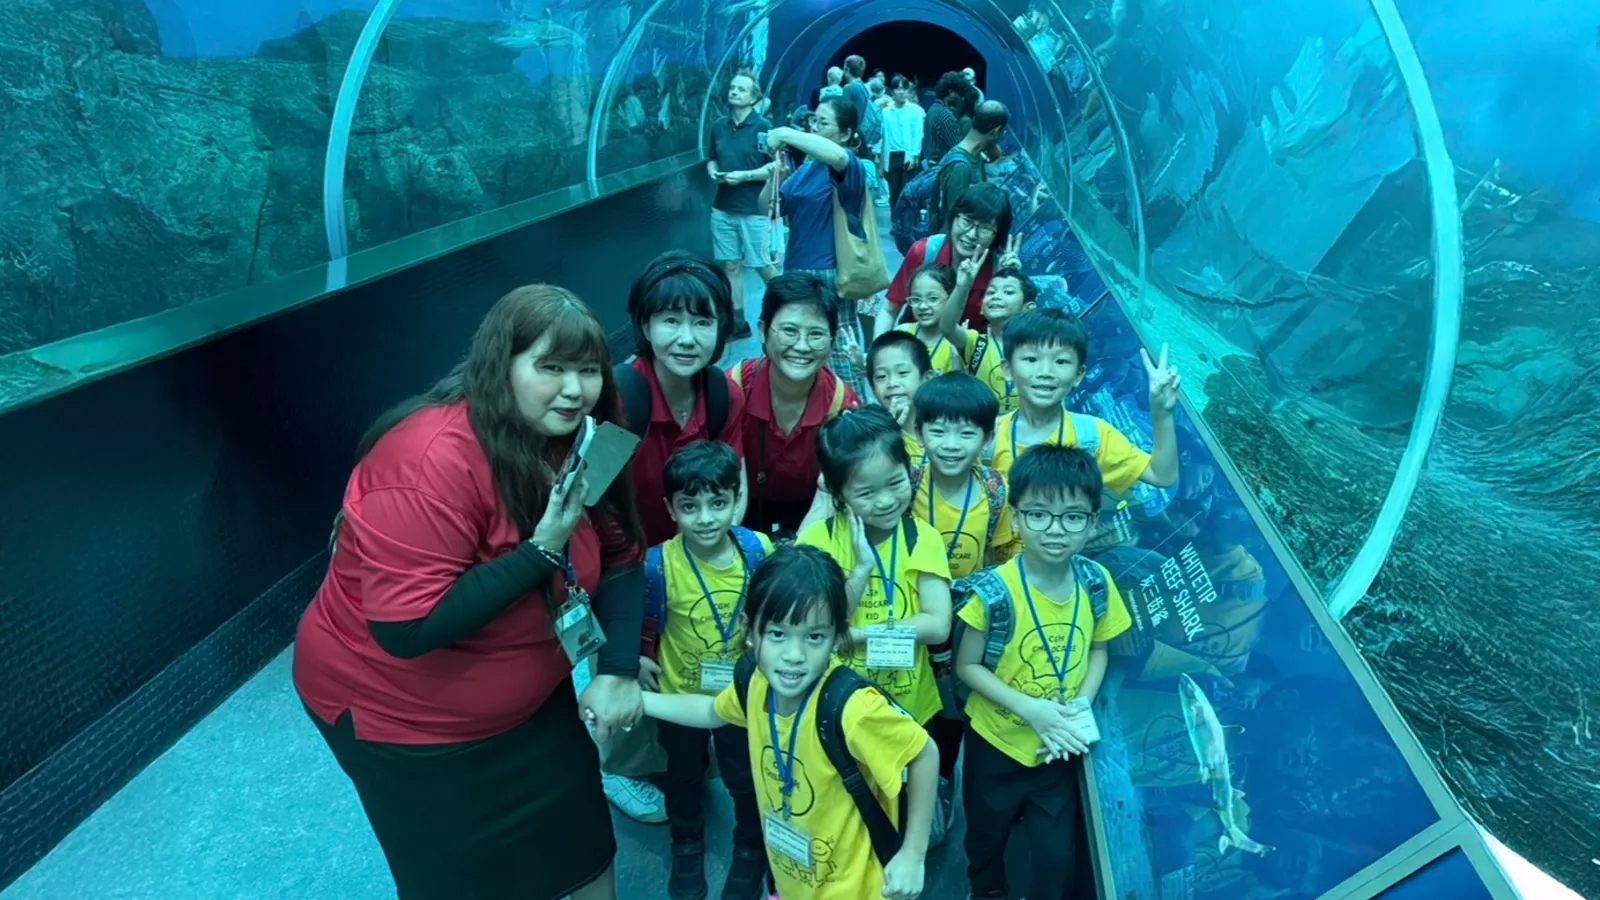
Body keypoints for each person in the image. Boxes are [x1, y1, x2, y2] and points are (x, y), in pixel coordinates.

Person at [293, 285, 646, 900]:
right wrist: (539, 551)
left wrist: (616, 667)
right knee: (460, 880)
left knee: (583, 843)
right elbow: (408, 627)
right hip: (409, 725)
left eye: (587, 370)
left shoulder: (589, 432)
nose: (574, 389)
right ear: (498, 364)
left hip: (533, 705)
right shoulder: (425, 460)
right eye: (551, 367)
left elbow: (621, 556)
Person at [636, 544, 939, 900]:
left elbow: (923, 753)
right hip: (789, 877)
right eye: (778, 634)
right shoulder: (755, 683)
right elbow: (710, 713)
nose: (794, 657)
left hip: (855, 889)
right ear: (750, 631)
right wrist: (638, 701)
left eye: (814, 637)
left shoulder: (852, 709)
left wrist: (913, 854)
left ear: (838, 636)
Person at [955, 445, 1133, 900]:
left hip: (1056, 750)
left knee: (1056, 856)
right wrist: (1032, 710)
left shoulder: (1095, 583)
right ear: (1015, 518)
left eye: (1073, 517)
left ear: (1093, 523)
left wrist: (1082, 703)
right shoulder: (995, 593)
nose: (1055, 529)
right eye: (1039, 514)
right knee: (986, 838)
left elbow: (1099, 649)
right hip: (996, 743)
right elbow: (967, 666)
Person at [644, 442, 771, 900]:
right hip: (679, 698)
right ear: (670, 509)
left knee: (744, 772)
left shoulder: (758, 551)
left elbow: (772, 613)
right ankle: (687, 839)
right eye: (690, 507)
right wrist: (641, 656)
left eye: (719, 503)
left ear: (737, 499)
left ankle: (750, 843)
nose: (706, 518)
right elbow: (647, 619)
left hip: (740, 696)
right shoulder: (659, 565)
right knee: (683, 774)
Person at [797, 406, 953, 780]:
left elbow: (938, 624)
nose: (885, 501)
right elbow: (822, 624)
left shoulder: (922, 538)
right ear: (838, 494)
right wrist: (863, 569)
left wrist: (863, 636)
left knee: (909, 776)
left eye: (896, 483)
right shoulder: (820, 541)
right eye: (866, 492)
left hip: (911, 701)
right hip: (840, 701)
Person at [909, 371, 1015, 837]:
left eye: (967, 431)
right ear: (918, 430)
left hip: (964, 620)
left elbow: (1008, 550)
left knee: (951, 710)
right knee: (907, 697)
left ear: (988, 437)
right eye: (938, 429)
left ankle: (940, 779)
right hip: (911, 616)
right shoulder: (906, 484)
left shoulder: (995, 492)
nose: (951, 443)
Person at [619, 251, 746, 547]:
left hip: (699, 559)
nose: (687, 339)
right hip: (630, 565)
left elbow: (733, 483)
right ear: (646, 326)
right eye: (672, 320)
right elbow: (592, 500)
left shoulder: (724, 396)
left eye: (702, 322)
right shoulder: (620, 401)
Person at [990, 308, 1181, 493]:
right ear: (1008, 369)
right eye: (1032, 359)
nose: (1045, 372)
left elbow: (1161, 476)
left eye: (1061, 361)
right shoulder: (986, 438)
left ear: (1078, 375)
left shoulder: (1092, 436)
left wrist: (1162, 413)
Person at [730, 273, 859, 538]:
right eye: (789, 331)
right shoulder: (733, 388)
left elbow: (831, 494)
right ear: (763, 331)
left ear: (832, 341)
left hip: (814, 510)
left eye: (816, 334)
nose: (801, 346)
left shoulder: (842, 404)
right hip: (740, 507)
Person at [760, 97, 872, 396]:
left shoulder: (846, 165)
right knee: (802, 349)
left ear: (846, 133)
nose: (814, 128)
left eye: (823, 123)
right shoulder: (807, 168)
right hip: (796, 271)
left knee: (838, 349)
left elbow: (838, 157)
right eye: (813, 121)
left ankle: (853, 415)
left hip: (829, 270)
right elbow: (768, 209)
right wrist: (776, 177)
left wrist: (785, 133)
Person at [885, 183, 1015, 333]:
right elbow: (889, 310)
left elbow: (1005, 332)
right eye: (967, 221)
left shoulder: (998, 270)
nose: (972, 235)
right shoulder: (925, 252)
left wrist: (1011, 282)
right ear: (953, 218)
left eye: (985, 228)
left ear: (997, 235)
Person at [707, 74, 778, 336]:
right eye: (732, 87)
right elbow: (712, 158)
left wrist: (745, 176)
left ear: (754, 97)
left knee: (761, 264)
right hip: (722, 206)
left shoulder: (763, 126)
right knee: (731, 265)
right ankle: (738, 323)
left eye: (741, 89)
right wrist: (713, 171)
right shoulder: (718, 126)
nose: (734, 91)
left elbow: (775, 167)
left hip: (752, 207)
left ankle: (788, 304)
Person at [930, 250, 1037, 416]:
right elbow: (947, 327)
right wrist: (963, 286)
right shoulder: (975, 343)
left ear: (1028, 308)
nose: (996, 297)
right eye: (991, 292)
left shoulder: (1039, 349)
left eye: (1008, 292)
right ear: (981, 308)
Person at [932, 100, 1009, 230]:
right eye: (1002, 132)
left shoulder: (975, 155)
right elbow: (955, 221)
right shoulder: (960, 168)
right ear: (995, 131)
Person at [866, 330, 935, 461]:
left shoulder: (945, 430)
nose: (892, 383)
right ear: (873, 388)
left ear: (927, 378)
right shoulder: (870, 436)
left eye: (902, 372)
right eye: (881, 376)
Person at [894, 264, 965, 374]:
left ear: (952, 299)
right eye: (916, 299)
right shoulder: (901, 334)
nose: (923, 306)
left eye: (933, 298)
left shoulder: (958, 341)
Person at [882, 75, 926, 208]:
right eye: (898, 88)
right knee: (893, 193)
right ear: (892, 92)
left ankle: (908, 224)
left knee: (908, 193)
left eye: (904, 88)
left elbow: (918, 135)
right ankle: (896, 224)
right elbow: (883, 137)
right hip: (891, 156)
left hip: (908, 156)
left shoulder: (916, 111)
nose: (901, 91)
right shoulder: (886, 112)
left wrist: (914, 156)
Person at [921, 72, 977, 171]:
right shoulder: (946, 116)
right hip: (941, 172)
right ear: (951, 92)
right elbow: (960, 150)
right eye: (960, 94)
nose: (961, 98)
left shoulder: (933, 109)